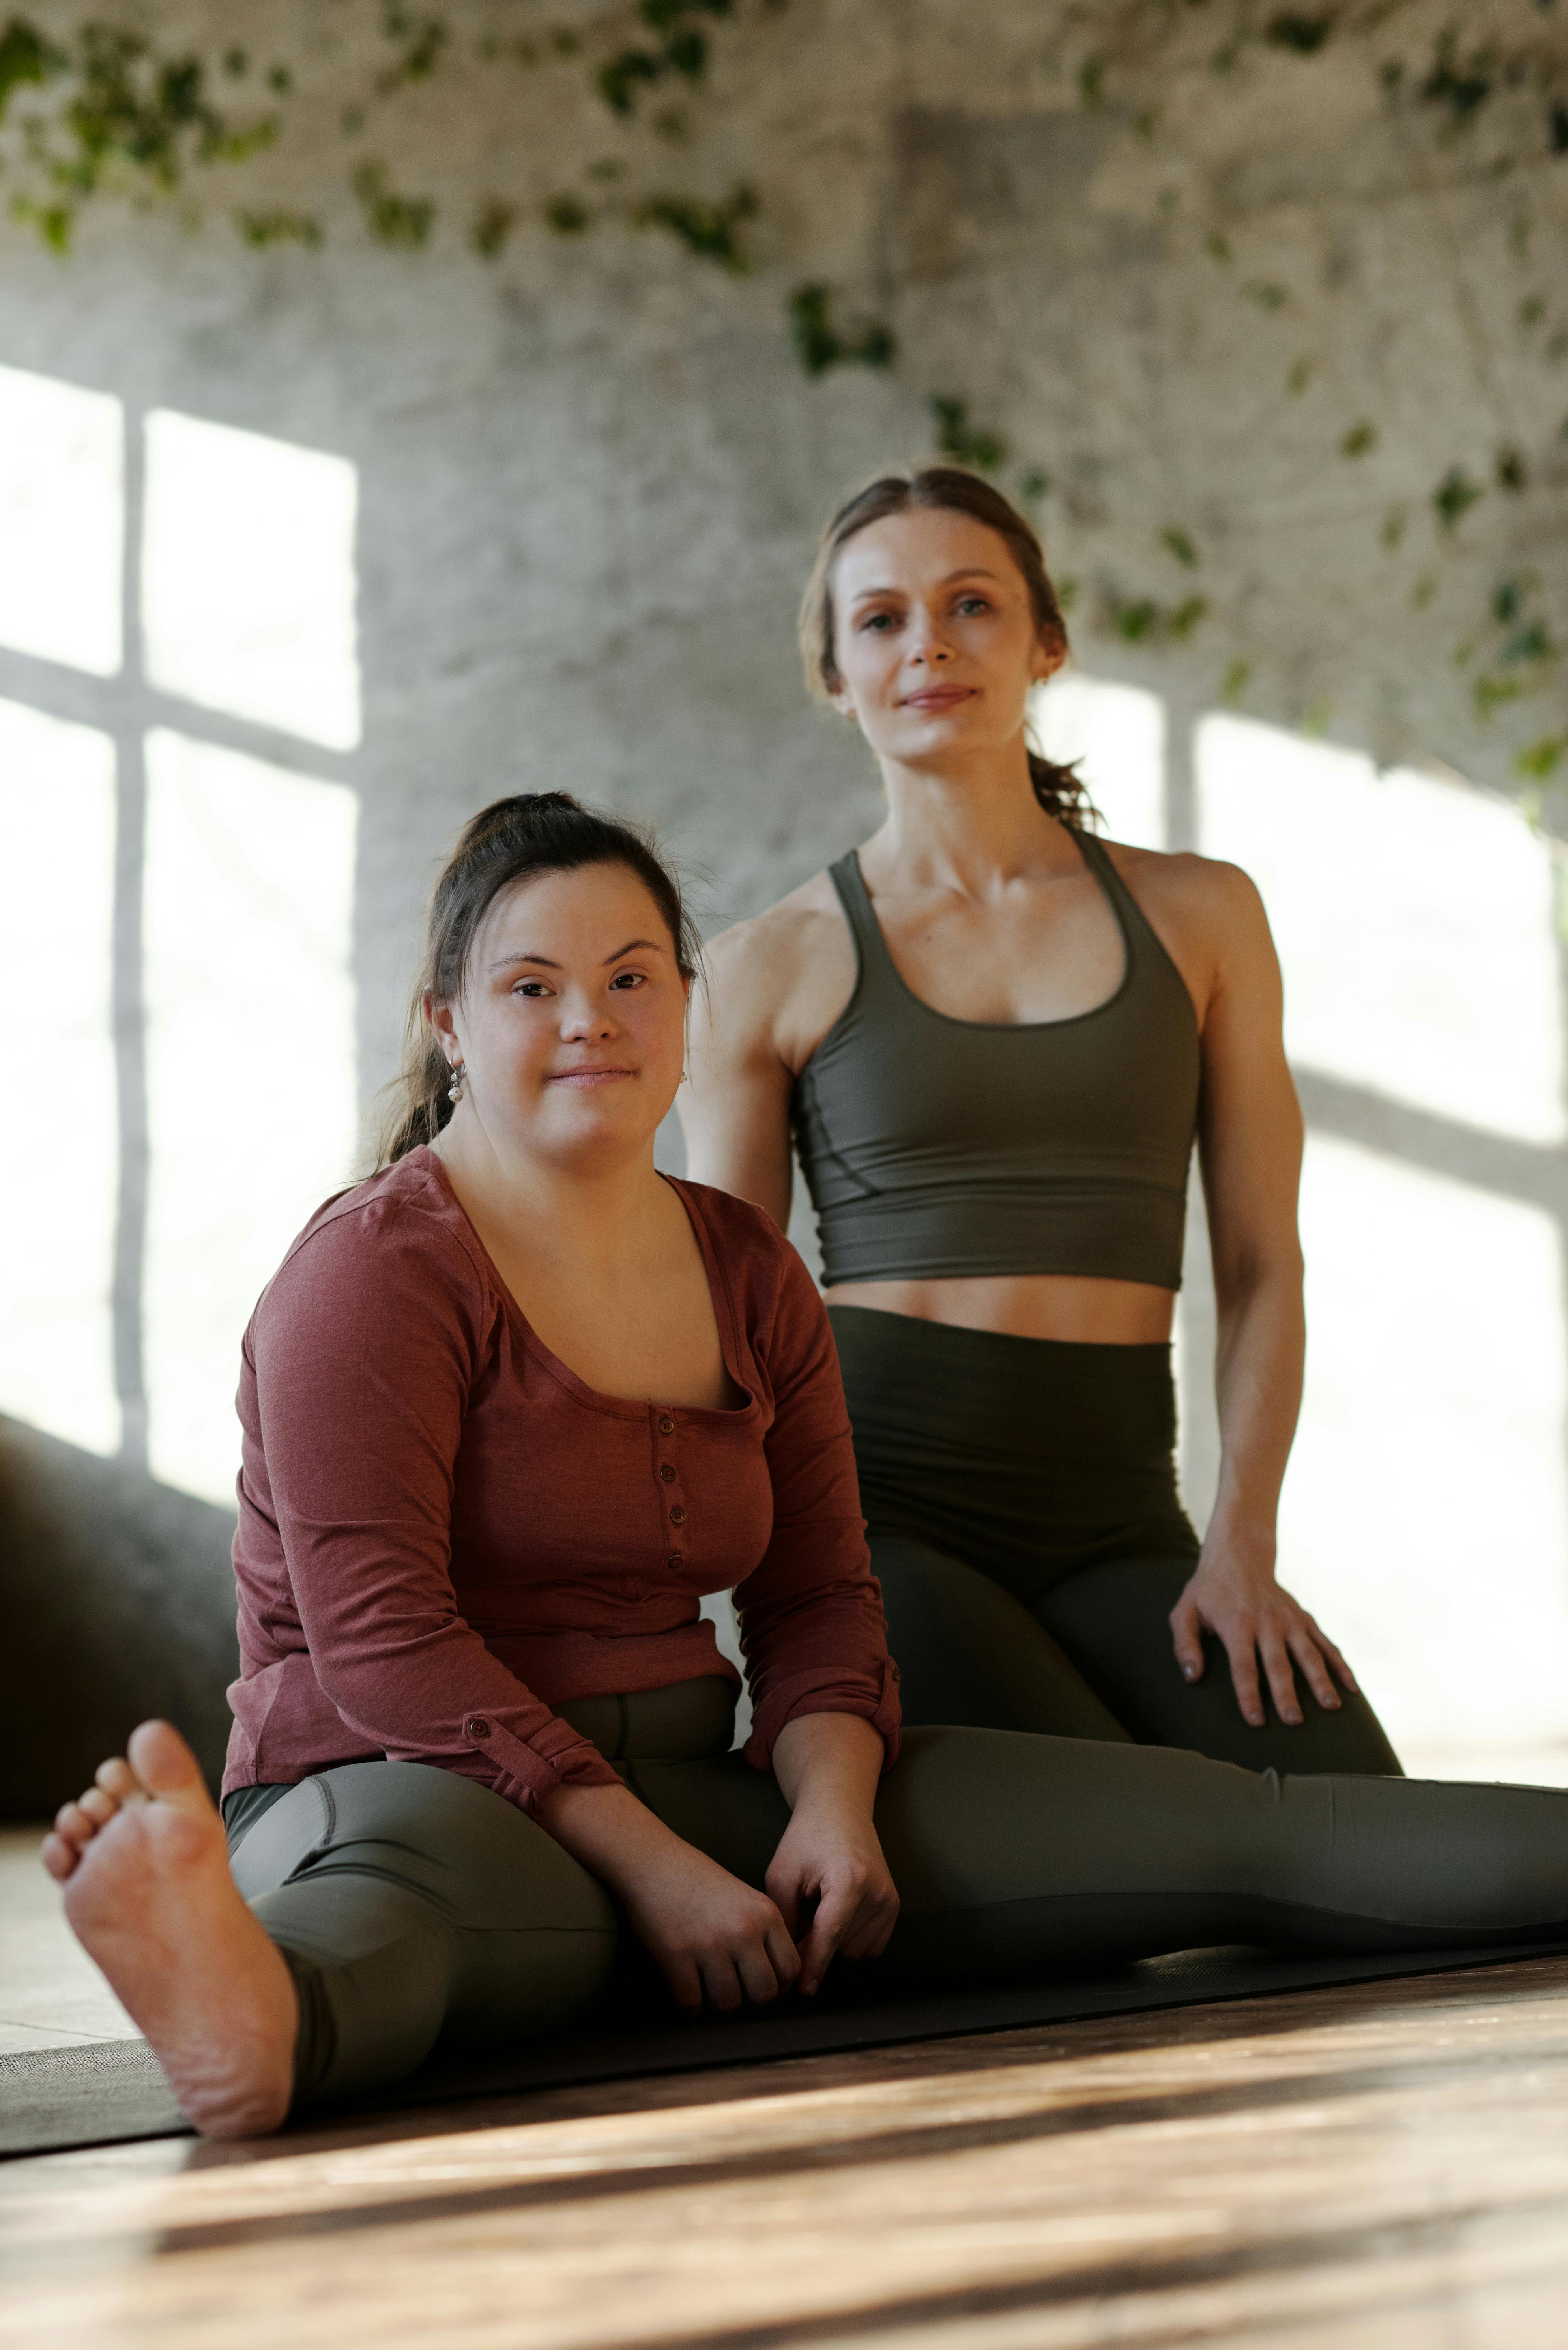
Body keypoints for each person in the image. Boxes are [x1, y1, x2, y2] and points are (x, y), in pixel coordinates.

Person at [45, 794, 1568, 2145]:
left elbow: (822, 1597)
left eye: (632, 977)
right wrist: (660, 1878)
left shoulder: (747, 1268)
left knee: (1238, 1826)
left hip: (705, 1790)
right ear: (449, 1019)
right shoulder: (370, 1272)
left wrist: (830, 1816)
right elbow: (387, 1646)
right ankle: (248, 2009)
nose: (591, 1018)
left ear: (685, 1006)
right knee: (412, 1935)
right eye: (533, 986)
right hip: (397, 1790)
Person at [681, 464, 1400, 1775]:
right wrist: (774, 1608)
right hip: (879, 1520)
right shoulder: (762, 965)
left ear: (1044, 641)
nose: (930, 644)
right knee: (1135, 1838)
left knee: (1364, 1822)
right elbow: (730, 1322)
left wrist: (1243, 1542)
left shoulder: (1204, 916)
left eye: (972, 604)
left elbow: (1260, 1263)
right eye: (882, 619)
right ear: (836, 673)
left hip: (1123, 1510)